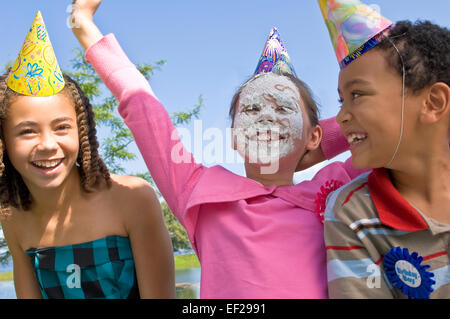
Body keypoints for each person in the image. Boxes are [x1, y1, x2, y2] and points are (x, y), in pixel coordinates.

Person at [70, 0, 366, 298]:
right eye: (252, 108)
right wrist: (84, 25)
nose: (265, 116)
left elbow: (381, 129)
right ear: (235, 138)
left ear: (315, 135)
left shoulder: (337, 187)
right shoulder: (198, 191)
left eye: (283, 107)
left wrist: (314, 146)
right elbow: (142, 108)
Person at [0, 10, 175, 299]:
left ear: (82, 133)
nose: (47, 144)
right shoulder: (13, 218)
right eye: (27, 131)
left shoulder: (133, 198)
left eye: (61, 128)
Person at [319, 0, 450, 298]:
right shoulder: (353, 215)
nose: (340, 116)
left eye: (357, 94)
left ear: (433, 103)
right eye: (342, 100)